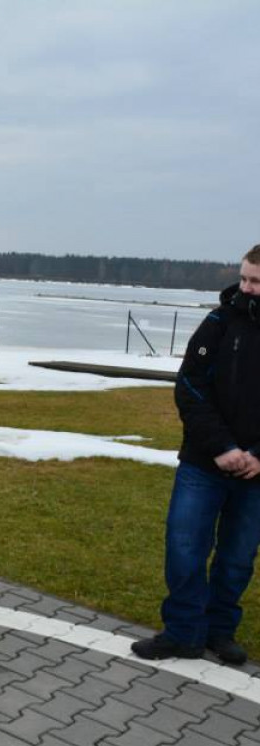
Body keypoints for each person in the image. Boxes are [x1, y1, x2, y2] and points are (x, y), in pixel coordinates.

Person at [131, 246, 260, 666]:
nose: (246, 288)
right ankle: (183, 632)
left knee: (237, 558)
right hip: (204, 464)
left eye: (255, 281)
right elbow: (190, 388)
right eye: (244, 278)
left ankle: (220, 631)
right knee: (184, 548)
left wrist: (256, 456)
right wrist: (222, 447)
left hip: (256, 473)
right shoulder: (219, 323)